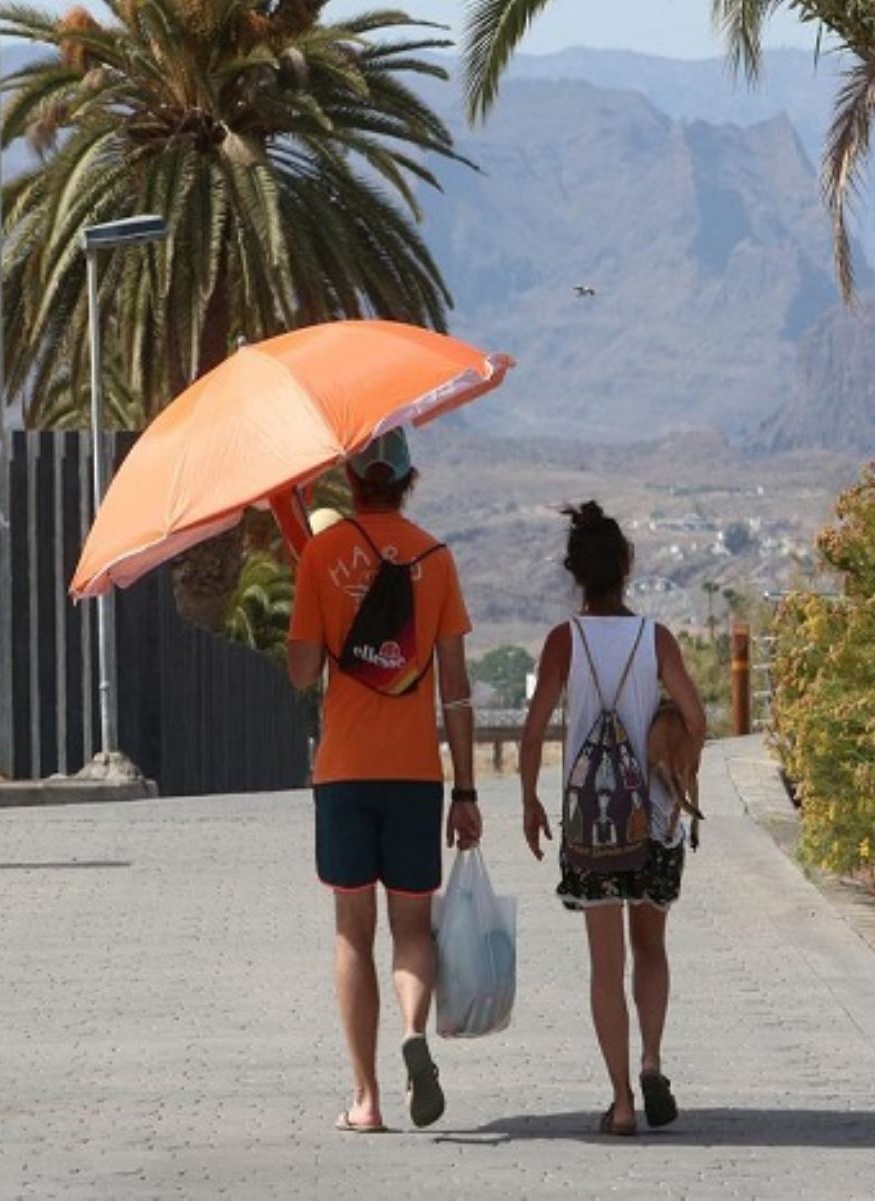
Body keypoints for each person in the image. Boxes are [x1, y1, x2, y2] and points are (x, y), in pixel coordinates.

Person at [287, 428, 481, 1134]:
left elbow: (303, 672)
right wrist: (465, 790)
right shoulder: (436, 557)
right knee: (411, 928)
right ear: (407, 478)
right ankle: (413, 1030)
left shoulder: (320, 554)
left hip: (342, 771)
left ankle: (366, 1097)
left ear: (349, 478)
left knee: (351, 931)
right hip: (415, 774)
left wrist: (311, 605)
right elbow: (456, 690)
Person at [518, 501, 707, 1136]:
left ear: (575, 571)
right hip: (652, 818)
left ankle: (622, 1102)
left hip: (593, 824)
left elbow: (535, 725)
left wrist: (529, 798)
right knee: (650, 945)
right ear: (627, 567)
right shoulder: (655, 639)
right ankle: (653, 1060)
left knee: (605, 965)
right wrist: (681, 772)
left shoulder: (562, 642)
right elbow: (697, 717)